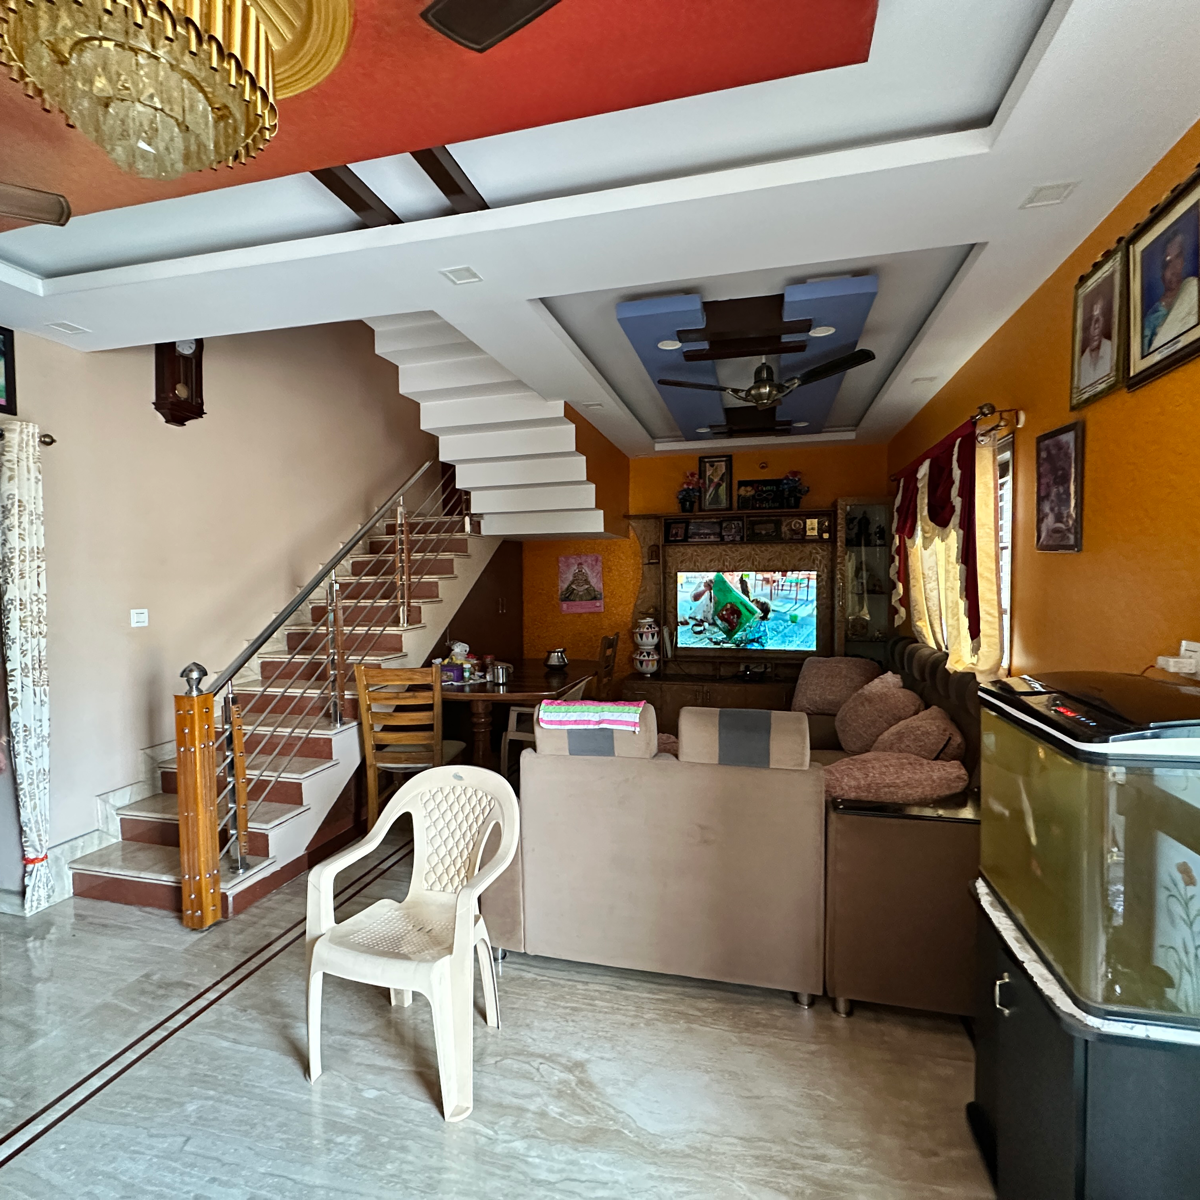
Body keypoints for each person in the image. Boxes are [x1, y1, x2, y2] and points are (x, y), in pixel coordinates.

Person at [1144, 226, 1199, 354]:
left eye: (1178, 257)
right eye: (1168, 262)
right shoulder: (1152, 316)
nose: (1173, 268)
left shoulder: (1192, 287)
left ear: (1184, 259)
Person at [1078, 292, 1113, 388]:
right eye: (1091, 321)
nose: (1095, 328)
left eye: (1098, 320)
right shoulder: (1081, 365)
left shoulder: (1112, 351)